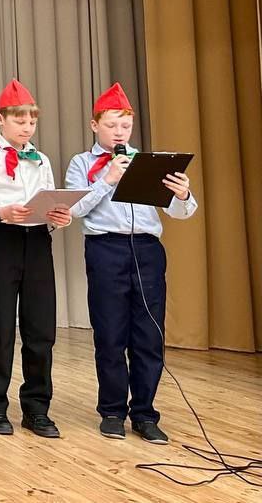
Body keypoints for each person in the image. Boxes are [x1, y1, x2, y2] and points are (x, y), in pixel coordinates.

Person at [65, 82, 197, 444]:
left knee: (149, 334)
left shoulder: (149, 162)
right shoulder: (82, 163)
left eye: (125, 125)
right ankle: (111, 412)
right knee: (110, 334)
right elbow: (74, 209)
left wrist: (183, 195)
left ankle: (144, 414)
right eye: (111, 125)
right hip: (105, 249)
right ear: (95, 125)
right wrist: (107, 179)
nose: (119, 132)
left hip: (147, 250)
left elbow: (181, 212)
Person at [0, 79, 72, 439]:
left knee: (41, 328)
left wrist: (58, 217)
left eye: (32, 121)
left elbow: (50, 199)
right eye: (19, 120)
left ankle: (37, 408)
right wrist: (0, 212)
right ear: (0, 119)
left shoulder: (42, 159)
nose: (27, 127)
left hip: (38, 241)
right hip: (3, 239)